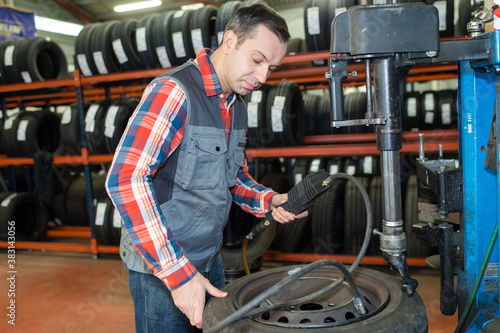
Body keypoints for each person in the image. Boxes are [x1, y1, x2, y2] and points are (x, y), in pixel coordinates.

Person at [105, 3, 307, 332]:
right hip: (161, 270)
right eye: (257, 61)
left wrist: (270, 201)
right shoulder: (175, 92)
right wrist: (177, 273)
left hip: (208, 259)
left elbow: (233, 178)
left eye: (271, 68)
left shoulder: (237, 106)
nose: (262, 78)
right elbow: (125, 179)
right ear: (230, 41)